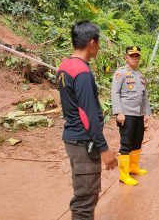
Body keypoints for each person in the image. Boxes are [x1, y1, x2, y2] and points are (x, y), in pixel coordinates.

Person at [56, 20, 118, 219]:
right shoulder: (82, 72)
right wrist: (104, 149)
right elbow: (87, 114)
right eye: (98, 43)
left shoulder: (64, 66)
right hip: (83, 142)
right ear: (92, 42)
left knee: (83, 194)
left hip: (73, 139)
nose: (98, 47)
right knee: (85, 199)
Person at [111, 46, 152, 186]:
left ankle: (133, 167)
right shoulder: (120, 73)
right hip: (126, 114)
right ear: (126, 57)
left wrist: (147, 113)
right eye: (132, 55)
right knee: (126, 144)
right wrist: (118, 112)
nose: (134, 58)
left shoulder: (140, 75)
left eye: (137, 56)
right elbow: (115, 93)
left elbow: (144, 96)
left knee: (137, 142)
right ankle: (124, 174)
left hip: (139, 114)